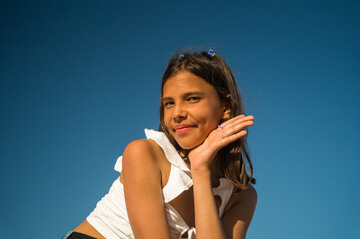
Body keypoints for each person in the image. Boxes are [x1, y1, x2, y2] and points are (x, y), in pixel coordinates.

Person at [63, 49, 257, 239]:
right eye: (169, 103)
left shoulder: (241, 196)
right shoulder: (144, 153)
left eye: (192, 99)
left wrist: (200, 169)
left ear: (226, 106)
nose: (177, 113)